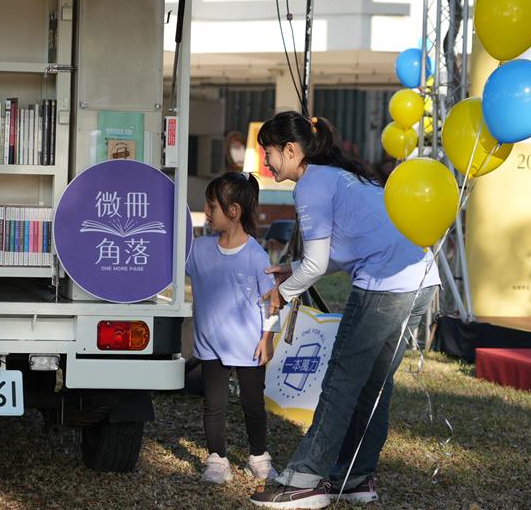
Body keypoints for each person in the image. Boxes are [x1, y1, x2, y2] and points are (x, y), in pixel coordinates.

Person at [249, 112, 441, 509]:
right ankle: (355, 477)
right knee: (374, 386)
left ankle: (304, 480)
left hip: (386, 286)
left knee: (341, 383)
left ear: (290, 150)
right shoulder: (339, 175)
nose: (266, 163)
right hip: (421, 279)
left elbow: (317, 265)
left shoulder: (310, 186)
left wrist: (283, 292)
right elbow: (348, 246)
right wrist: (294, 269)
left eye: (268, 153)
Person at [186, 171, 282, 484]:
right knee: (213, 405)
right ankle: (217, 460)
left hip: (250, 346)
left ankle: (259, 456)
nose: (207, 211)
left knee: (253, 405)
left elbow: (272, 301)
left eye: (212, 206)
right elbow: (168, 267)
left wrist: (267, 339)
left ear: (233, 211)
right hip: (211, 345)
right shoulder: (198, 250)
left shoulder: (255, 254)